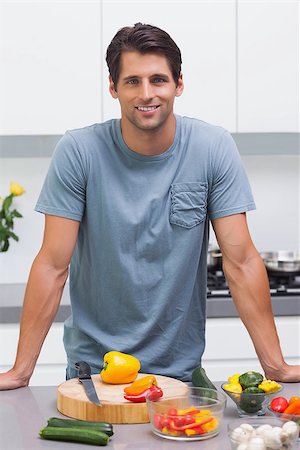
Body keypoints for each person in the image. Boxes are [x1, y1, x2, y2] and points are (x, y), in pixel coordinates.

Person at [1, 23, 299, 390]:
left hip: (180, 374)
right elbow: (51, 265)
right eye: (132, 81)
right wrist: (20, 371)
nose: (147, 94)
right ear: (113, 87)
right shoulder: (79, 152)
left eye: (158, 80)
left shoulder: (212, 148)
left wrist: (276, 366)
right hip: (94, 373)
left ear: (178, 84)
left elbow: (241, 261)